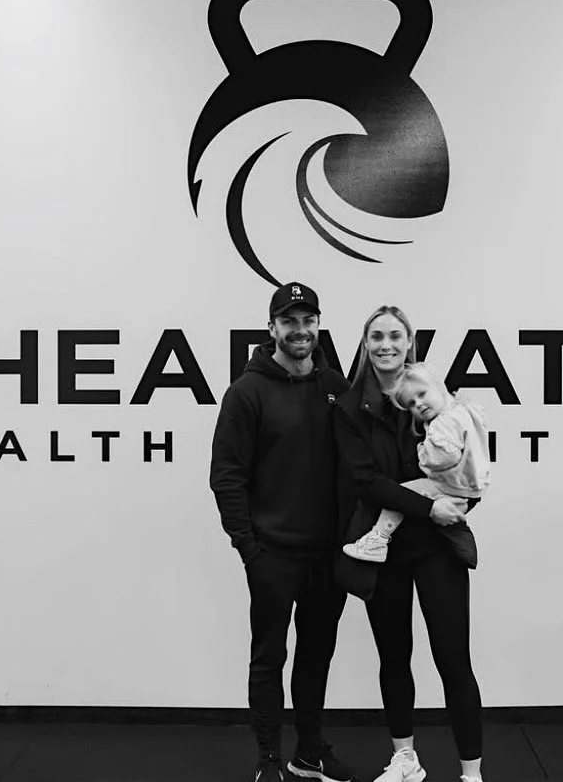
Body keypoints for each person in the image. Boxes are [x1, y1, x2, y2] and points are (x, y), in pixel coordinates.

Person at [210, 281, 357, 782]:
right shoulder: (247, 392)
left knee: (316, 658)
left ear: (318, 325)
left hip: (326, 556)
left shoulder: (336, 386)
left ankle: (309, 753)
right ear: (271, 327)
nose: (300, 330)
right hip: (272, 554)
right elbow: (227, 475)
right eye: (289, 321)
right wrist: (249, 548)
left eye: (308, 320)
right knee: (269, 658)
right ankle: (269, 759)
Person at [333, 306, 487, 782]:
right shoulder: (348, 406)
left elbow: (466, 469)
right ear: (365, 343)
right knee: (394, 658)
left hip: (438, 547)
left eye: (395, 335)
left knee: (453, 660)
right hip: (385, 552)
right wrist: (428, 507)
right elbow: (365, 480)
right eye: (376, 335)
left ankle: (471, 772)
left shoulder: (436, 398)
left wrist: (456, 506)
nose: (386, 344)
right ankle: (406, 760)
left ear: (409, 342)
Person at [342, 362, 488, 565]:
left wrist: (423, 453)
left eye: (422, 394)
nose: (418, 404)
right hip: (471, 486)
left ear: (439, 386)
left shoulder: (442, 424)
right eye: (411, 403)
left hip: (451, 483)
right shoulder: (465, 410)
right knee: (452, 530)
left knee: (403, 495)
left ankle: (378, 539)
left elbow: (443, 458)